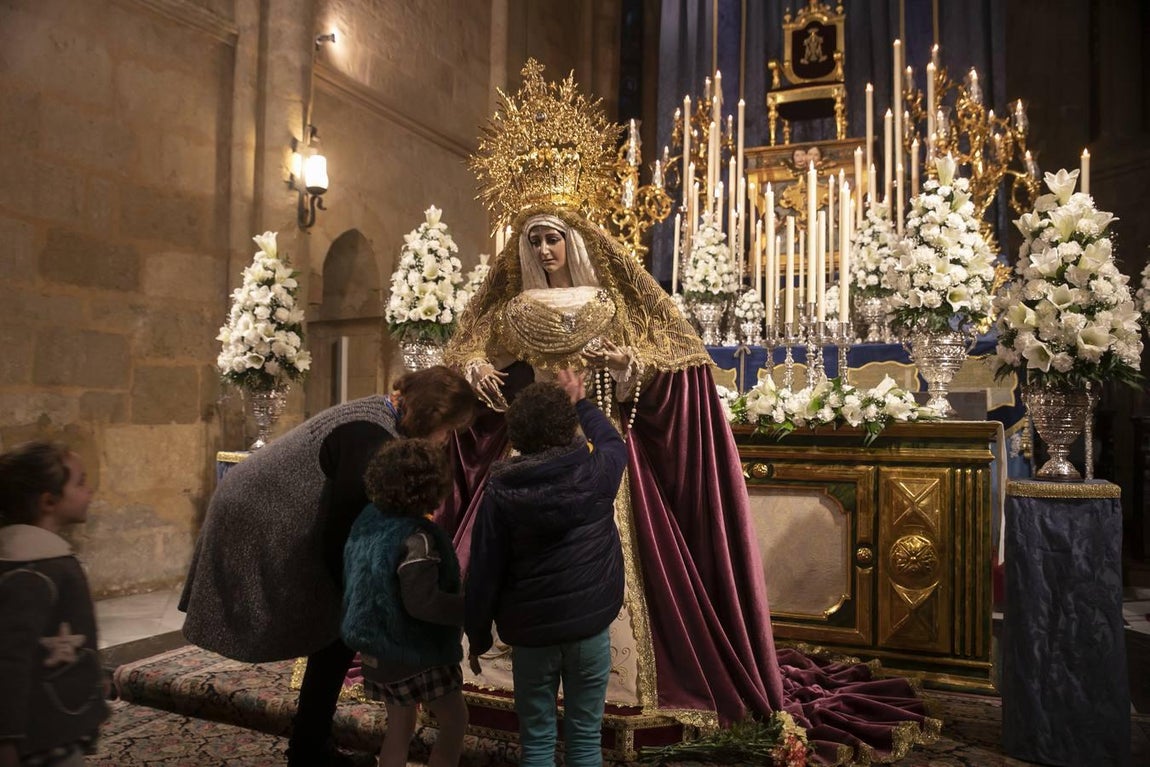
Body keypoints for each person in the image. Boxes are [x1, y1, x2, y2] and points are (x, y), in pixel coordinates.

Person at [443, 60, 939, 764]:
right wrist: (475, 367)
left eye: (553, 237)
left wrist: (626, 367)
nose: (545, 249)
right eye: (534, 240)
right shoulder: (515, 307)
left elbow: (673, 363)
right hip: (528, 455)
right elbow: (472, 349)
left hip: (599, 455)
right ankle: (501, 669)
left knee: (604, 576)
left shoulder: (614, 302)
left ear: (574, 240)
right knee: (510, 561)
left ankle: (607, 688)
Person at [179, 365, 477, 767]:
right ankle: (308, 750)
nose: (446, 441)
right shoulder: (371, 438)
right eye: (448, 429)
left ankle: (310, 746)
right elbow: (342, 535)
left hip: (281, 508)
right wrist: (360, 602)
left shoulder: (386, 418)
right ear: (431, 414)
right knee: (333, 631)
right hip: (260, 511)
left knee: (334, 633)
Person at [466, 371, 626, 767]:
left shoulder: (501, 491)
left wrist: (478, 633)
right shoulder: (597, 472)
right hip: (588, 627)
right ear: (567, 427)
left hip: (532, 633)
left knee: (537, 742)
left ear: (517, 434)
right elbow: (612, 441)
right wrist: (581, 403)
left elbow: (485, 569)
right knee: (585, 740)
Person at [342, 439, 467, 767]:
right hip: (415, 651)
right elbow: (423, 603)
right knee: (454, 719)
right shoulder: (416, 539)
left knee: (399, 727)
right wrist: (469, 608)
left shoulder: (368, 521)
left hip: (376, 647)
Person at [0, 442, 107, 767]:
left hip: (62, 716)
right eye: (80, 482)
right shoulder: (31, 573)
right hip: (44, 733)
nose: (89, 490)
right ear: (49, 502)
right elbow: (10, 660)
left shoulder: (49, 559)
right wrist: (6, 739)